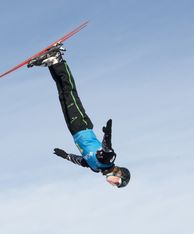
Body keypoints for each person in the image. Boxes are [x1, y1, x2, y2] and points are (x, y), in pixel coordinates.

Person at [28, 44, 131, 188]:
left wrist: (65, 156)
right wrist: (108, 133)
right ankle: (58, 59)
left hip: (74, 131)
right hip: (82, 126)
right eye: (117, 183)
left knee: (62, 96)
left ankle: (51, 63)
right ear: (119, 174)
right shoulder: (108, 160)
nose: (113, 184)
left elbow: (80, 161)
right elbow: (107, 147)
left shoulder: (96, 168)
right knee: (70, 93)